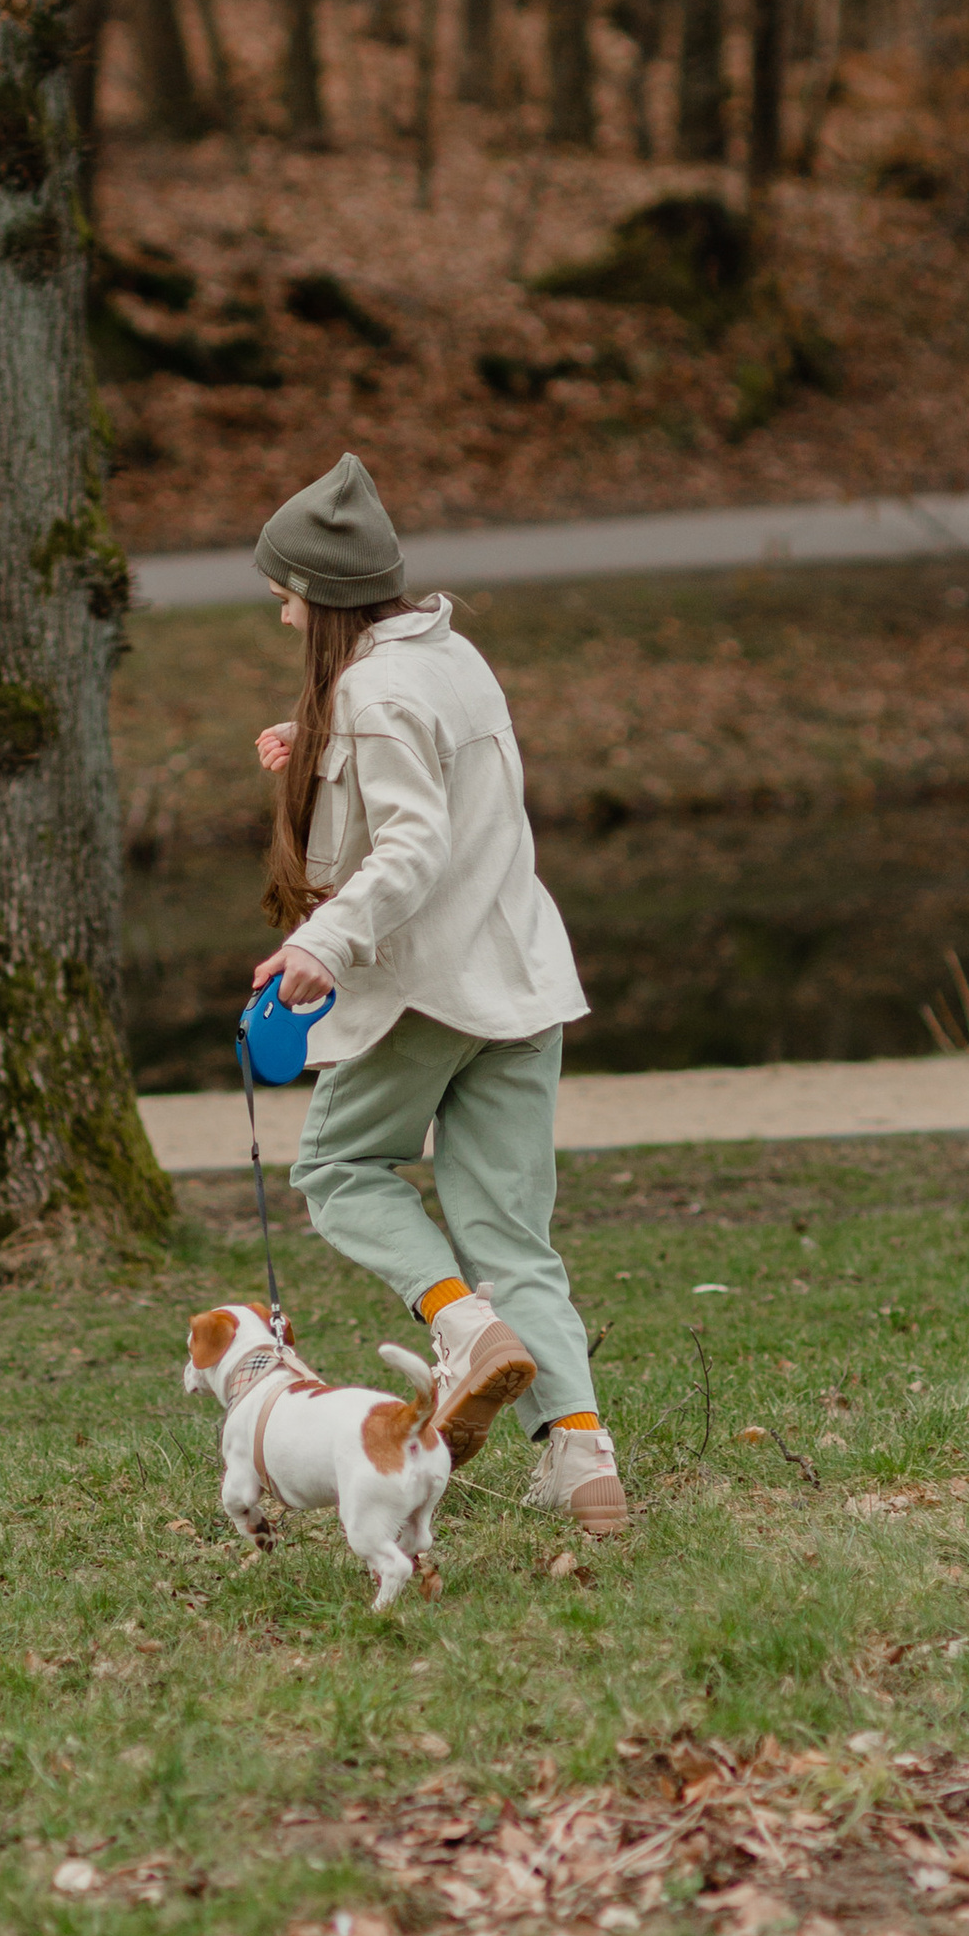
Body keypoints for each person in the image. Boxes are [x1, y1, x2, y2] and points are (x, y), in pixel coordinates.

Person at [246, 453, 625, 1536]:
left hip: (428, 989)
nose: (278, 612)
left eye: (283, 595)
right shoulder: (450, 656)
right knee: (514, 1237)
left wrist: (326, 935)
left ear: (319, 597)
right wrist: (308, 751)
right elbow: (433, 787)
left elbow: (413, 839)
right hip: (521, 979)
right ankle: (585, 1464)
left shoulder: (369, 690)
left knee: (336, 1167)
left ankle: (461, 1328)